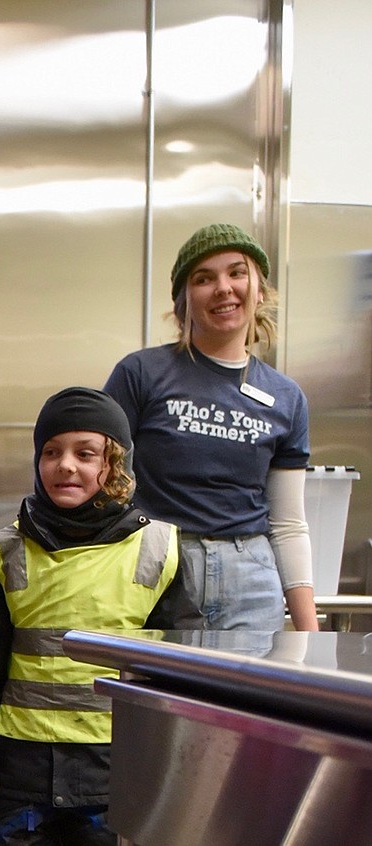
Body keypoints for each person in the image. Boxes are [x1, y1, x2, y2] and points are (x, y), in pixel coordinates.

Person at [0, 386, 202, 846]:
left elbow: (183, 680)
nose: (65, 464)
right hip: (19, 775)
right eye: (51, 451)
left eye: (85, 453)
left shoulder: (161, 550)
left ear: (113, 464)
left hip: (115, 772)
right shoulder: (2, 552)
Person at [103, 223, 318, 632]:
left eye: (237, 273)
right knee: (155, 696)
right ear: (184, 300)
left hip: (251, 578)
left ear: (258, 291)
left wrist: (310, 636)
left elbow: (288, 523)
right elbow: (101, 483)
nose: (223, 288)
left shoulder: (287, 397)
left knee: (244, 698)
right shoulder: (140, 373)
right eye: (204, 278)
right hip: (156, 568)